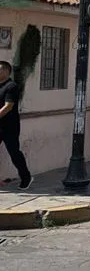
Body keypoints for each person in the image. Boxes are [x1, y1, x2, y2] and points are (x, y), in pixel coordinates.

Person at [0, 61, 33, 190]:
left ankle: (26, 177)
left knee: (14, 152)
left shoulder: (11, 86)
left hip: (9, 126)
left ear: (6, 71)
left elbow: (8, 107)